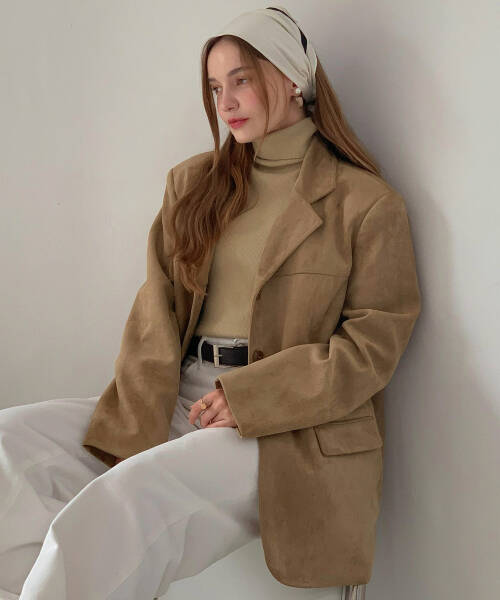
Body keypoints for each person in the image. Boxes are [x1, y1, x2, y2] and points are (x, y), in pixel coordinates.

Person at [0, 6, 421, 599]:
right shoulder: (195, 184)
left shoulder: (366, 203)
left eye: (240, 80)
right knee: (9, 443)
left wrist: (250, 396)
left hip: (285, 424)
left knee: (120, 506)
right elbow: (156, 312)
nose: (226, 102)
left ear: (291, 77)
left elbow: (371, 349)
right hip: (179, 397)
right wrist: (139, 420)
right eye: (216, 87)